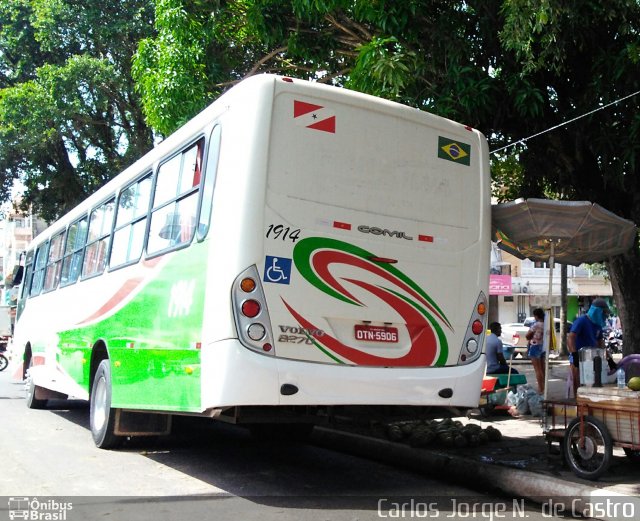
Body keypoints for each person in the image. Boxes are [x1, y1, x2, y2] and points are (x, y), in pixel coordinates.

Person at [567, 298, 609, 397]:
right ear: (597, 311)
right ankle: (578, 401)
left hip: (593, 358)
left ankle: (589, 401)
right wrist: (574, 354)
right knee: (578, 380)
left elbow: (600, 342)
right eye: (604, 312)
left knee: (592, 381)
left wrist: (609, 358)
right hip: (579, 356)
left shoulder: (598, 325)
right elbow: (571, 338)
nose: (606, 315)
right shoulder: (581, 321)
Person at [525, 308, 546, 394]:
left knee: (537, 369)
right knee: (542, 368)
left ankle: (540, 389)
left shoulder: (536, 325)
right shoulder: (545, 324)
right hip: (542, 346)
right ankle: (543, 387)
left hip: (535, 345)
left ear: (536, 316)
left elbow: (527, 335)